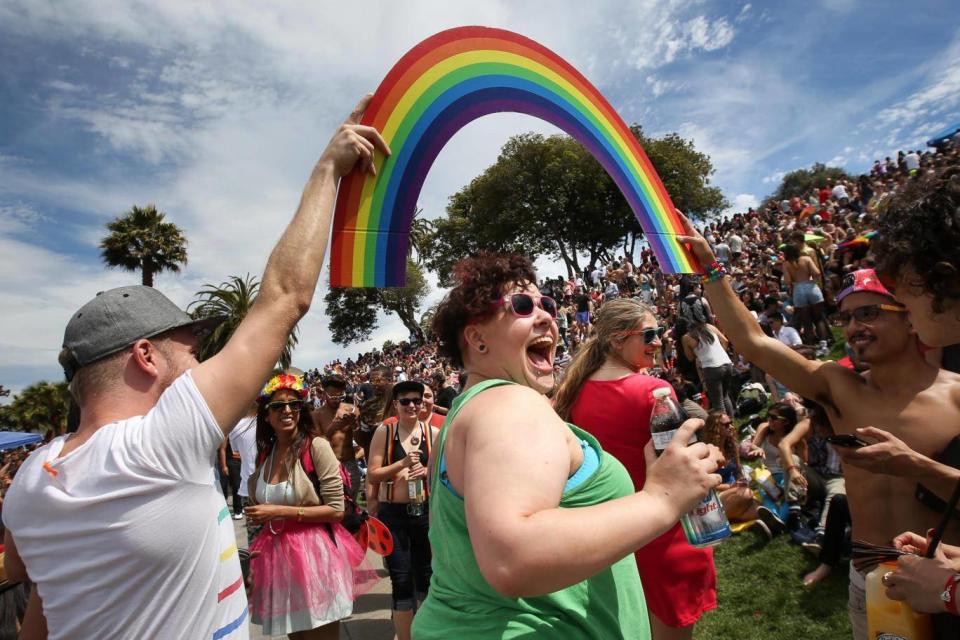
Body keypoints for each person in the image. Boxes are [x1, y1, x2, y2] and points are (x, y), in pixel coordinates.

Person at [0, 95, 388, 638]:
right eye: (189, 347)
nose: (199, 361)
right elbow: (284, 297)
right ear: (145, 355)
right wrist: (328, 169)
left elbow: (40, 601)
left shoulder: (26, 485)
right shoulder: (161, 443)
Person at [677, 213, 960, 640]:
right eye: (845, 317)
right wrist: (711, 269)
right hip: (867, 580)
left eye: (868, 312)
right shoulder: (837, 386)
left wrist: (917, 466)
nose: (854, 328)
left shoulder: (956, 398)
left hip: (938, 582)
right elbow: (754, 342)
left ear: (908, 316)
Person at [412, 253, 723, 639]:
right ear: (476, 338)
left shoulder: (470, 412)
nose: (545, 316)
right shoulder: (508, 404)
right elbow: (514, 557)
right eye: (522, 306)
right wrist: (662, 498)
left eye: (547, 304)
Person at [553, 298, 719, 639]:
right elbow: (680, 468)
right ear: (617, 340)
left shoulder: (575, 393)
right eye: (649, 334)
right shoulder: (654, 392)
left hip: (612, 535)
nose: (658, 341)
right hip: (664, 534)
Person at [246, 373, 377, 639]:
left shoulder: (316, 447)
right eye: (278, 406)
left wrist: (280, 511)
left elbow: (336, 510)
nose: (287, 410)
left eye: (294, 404)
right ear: (267, 415)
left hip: (315, 557)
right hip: (276, 559)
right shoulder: (265, 456)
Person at [367, 380, 440, 640]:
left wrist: (426, 472)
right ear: (396, 404)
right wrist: (402, 463)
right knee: (400, 579)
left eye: (416, 400)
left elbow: (444, 476)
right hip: (393, 514)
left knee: (426, 576)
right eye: (405, 401)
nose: (412, 405)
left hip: (423, 512)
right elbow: (374, 475)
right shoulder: (384, 433)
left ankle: (425, 633)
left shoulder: (432, 434)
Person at [681, 319, 735, 417]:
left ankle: (725, 428)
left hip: (711, 368)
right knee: (725, 396)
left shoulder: (687, 337)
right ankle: (731, 423)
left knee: (718, 403)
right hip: (727, 363)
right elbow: (725, 341)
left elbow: (690, 358)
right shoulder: (710, 327)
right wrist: (719, 354)